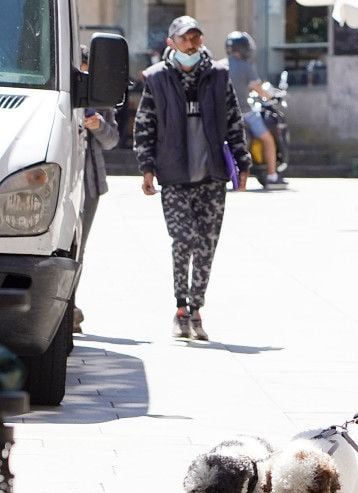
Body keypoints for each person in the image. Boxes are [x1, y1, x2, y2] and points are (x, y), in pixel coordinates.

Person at [134, 15, 251, 341]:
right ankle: (180, 307)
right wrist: (147, 168)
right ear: (172, 42)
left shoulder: (218, 76)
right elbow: (145, 127)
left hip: (211, 176)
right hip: (174, 176)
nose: (192, 43)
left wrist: (243, 163)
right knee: (183, 239)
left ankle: (196, 309)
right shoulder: (157, 79)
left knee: (206, 246)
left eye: (196, 38)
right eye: (185, 38)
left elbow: (233, 121)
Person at [74, 46, 120, 334]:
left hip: (89, 179)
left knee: (79, 247)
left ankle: (69, 304)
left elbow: (113, 139)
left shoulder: (98, 94)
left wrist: (99, 125)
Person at [223, 31, 285, 187]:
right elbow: (258, 89)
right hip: (244, 113)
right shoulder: (245, 67)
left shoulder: (220, 65)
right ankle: (272, 175)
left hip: (222, 115)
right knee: (268, 139)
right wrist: (271, 97)